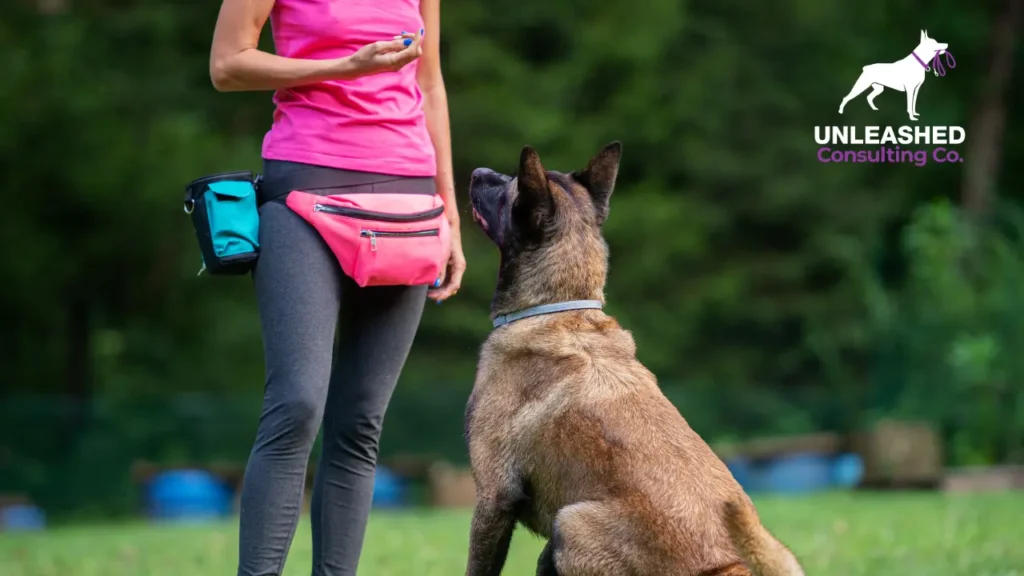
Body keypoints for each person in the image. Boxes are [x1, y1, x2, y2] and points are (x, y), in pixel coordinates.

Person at [209, 1, 465, 574]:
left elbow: (430, 81)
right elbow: (227, 65)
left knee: (359, 421)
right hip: (305, 187)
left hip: (407, 198)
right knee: (297, 404)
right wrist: (344, 67)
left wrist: (448, 212)